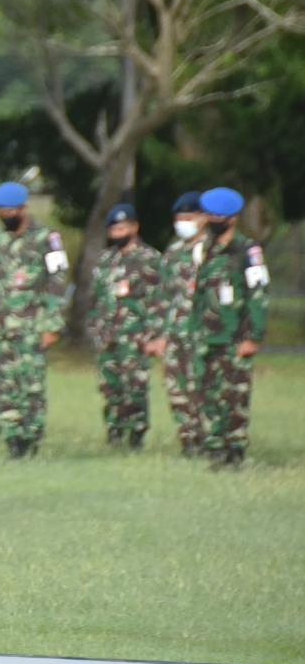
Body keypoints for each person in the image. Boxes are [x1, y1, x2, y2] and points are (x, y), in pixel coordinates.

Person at [0, 182, 69, 458]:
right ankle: (12, 439)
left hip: (33, 325)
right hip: (2, 327)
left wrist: (53, 325)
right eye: (0, 210)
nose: (5, 215)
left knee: (31, 385)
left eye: (10, 210)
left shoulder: (47, 239)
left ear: (23, 209)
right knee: (4, 384)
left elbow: (58, 282)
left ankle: (31, 437)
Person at [190, 187, 269, 469]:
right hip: (207, 336)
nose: (209, 220)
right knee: (207, 393)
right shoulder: (205, 251)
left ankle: (234, 449)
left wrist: (252, 336)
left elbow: (258, 295)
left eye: (215, 215)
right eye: (207, 214)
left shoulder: (247, 251)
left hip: (235, 335)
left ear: (231, 218)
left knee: (234, 394)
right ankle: (213, 447)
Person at [86, 204, 165, 450]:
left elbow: (158, 299)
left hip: (136, 335)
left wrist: (154, 334)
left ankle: (137, 431)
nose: (118, 232)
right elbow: (96, 297)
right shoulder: (106, 259)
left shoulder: (149, 259)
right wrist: (95, 327)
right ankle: (115, 428)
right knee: (110, 385)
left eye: (122, 227)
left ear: (134, 227)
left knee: (135, 384)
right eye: (114, 229)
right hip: (107, 334)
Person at [155, 192, 206, 456]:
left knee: (203, 385)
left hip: (204, 332)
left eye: (188, 217)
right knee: (176, 387)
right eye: (179, 218)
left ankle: (207, 436)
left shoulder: (213, 250)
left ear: (203, 218)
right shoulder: (173, 253)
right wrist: (160, 333)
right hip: (176, 333)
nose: (183, 223)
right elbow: (163, 296)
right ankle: (187, 437)